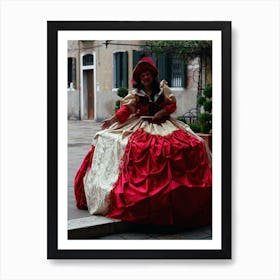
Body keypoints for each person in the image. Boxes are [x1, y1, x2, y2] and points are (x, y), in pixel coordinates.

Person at [74, 57, 212, 228]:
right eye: (143, 75)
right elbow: (125, 111)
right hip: (141, 124)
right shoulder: (136, 95)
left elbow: (171, 106)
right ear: (139, 78)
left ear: (152, 76)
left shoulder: (162, 89)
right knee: (136, 147)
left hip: (163, 124)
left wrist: (161, 113)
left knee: (187, 144)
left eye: (148, 74)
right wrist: (111, 121)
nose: (145, 77)